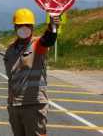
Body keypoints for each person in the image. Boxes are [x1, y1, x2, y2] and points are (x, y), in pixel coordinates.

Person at [3, 8, 60, 136]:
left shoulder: (37, 45)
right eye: (20, 25)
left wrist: (52, 27)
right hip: (15, 105)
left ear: (32, 27)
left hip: (33, 105)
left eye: (27, 25)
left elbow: (48, 39)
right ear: (15, 27)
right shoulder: (10, 49)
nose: (24, 28)